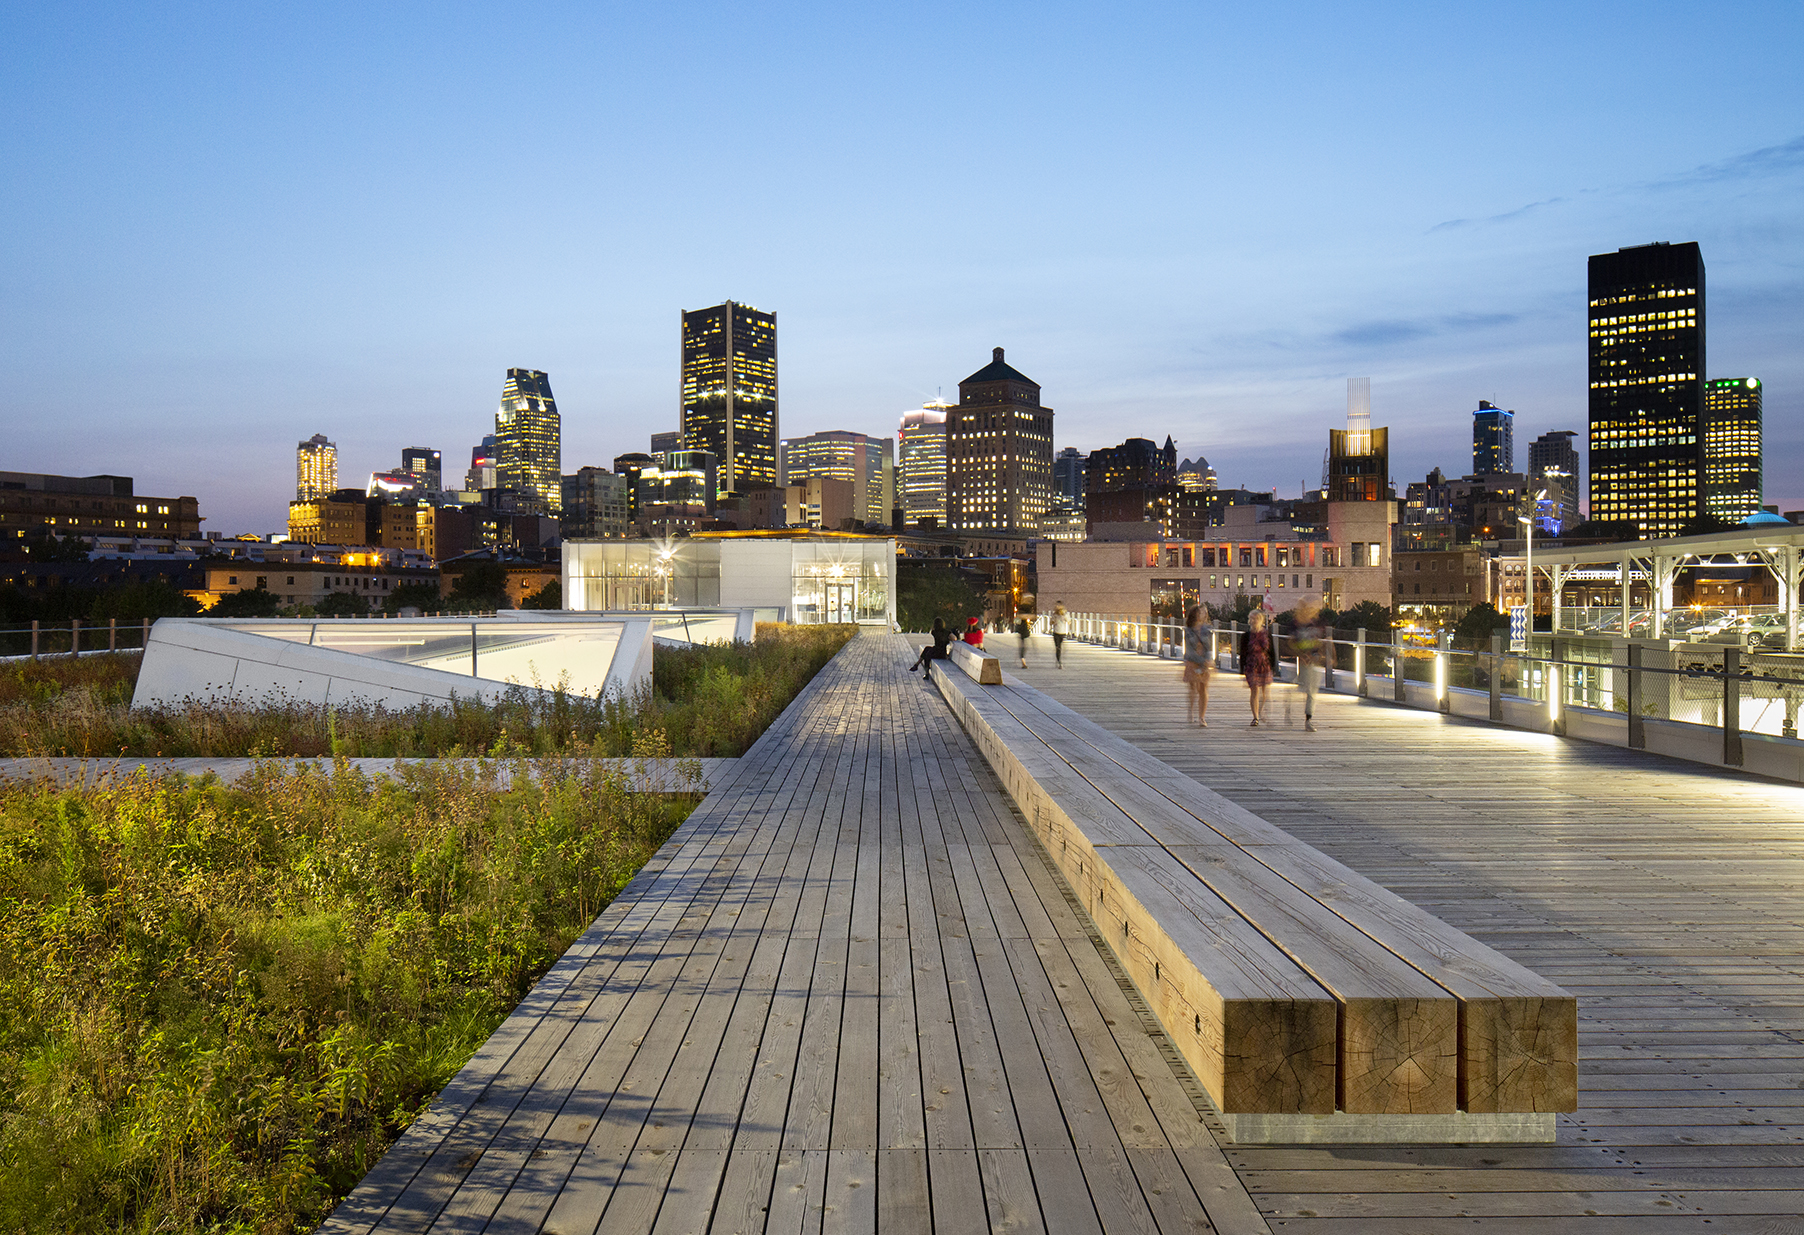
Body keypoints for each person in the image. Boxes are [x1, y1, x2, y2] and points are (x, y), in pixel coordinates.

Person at [1292, 598, 1327, 731]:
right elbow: (1291, 643)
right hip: (1303, 661)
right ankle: (1290, 708)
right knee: (1304, 688)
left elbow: (1323, 641)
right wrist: (1302, 655)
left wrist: (1326, 656)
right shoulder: (1295, 625)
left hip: (1315, 661)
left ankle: (1308, 719)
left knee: (1312, 691)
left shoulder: (1318, 624)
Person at [1243, 609, 1277, 726]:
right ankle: (1255, 717)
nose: (1253, 621)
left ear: (1260, 620)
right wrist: (1242, 669)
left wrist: (1274, 667)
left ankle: (1260, 711)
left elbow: (1272, 651)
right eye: (1251, 618)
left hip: (1264, 665)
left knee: (1264, 692)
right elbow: (1243, 653)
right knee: (1254, 690)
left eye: (1255, 618)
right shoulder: (1246, 636)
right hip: (1251, 665)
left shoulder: (1267, 634)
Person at [1182, 604, 1213, 726]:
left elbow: (1209, 647)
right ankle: (1191, 711)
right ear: (1195, 614)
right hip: (1192, 660)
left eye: (1205, 612)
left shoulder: (1207, 630)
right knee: (1192, 688)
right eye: (1201, 612)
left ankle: (1202, 717)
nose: (1203, 614)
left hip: (1204, 662)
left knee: (1203, 688)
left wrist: (1208, 660)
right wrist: (1199, 660)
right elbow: (1188, 650)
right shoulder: (1188, 630)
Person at [1049, 602, 1070, 668]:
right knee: (1058, 647)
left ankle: (1059, 660)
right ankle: (1059, 661)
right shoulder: (1055, 614)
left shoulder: (1065, 614)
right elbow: (1051, 623)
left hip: (1061, 632)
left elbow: (1069, 622)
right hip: (1057, 632)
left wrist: (1064, 620)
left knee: (1059, 647)